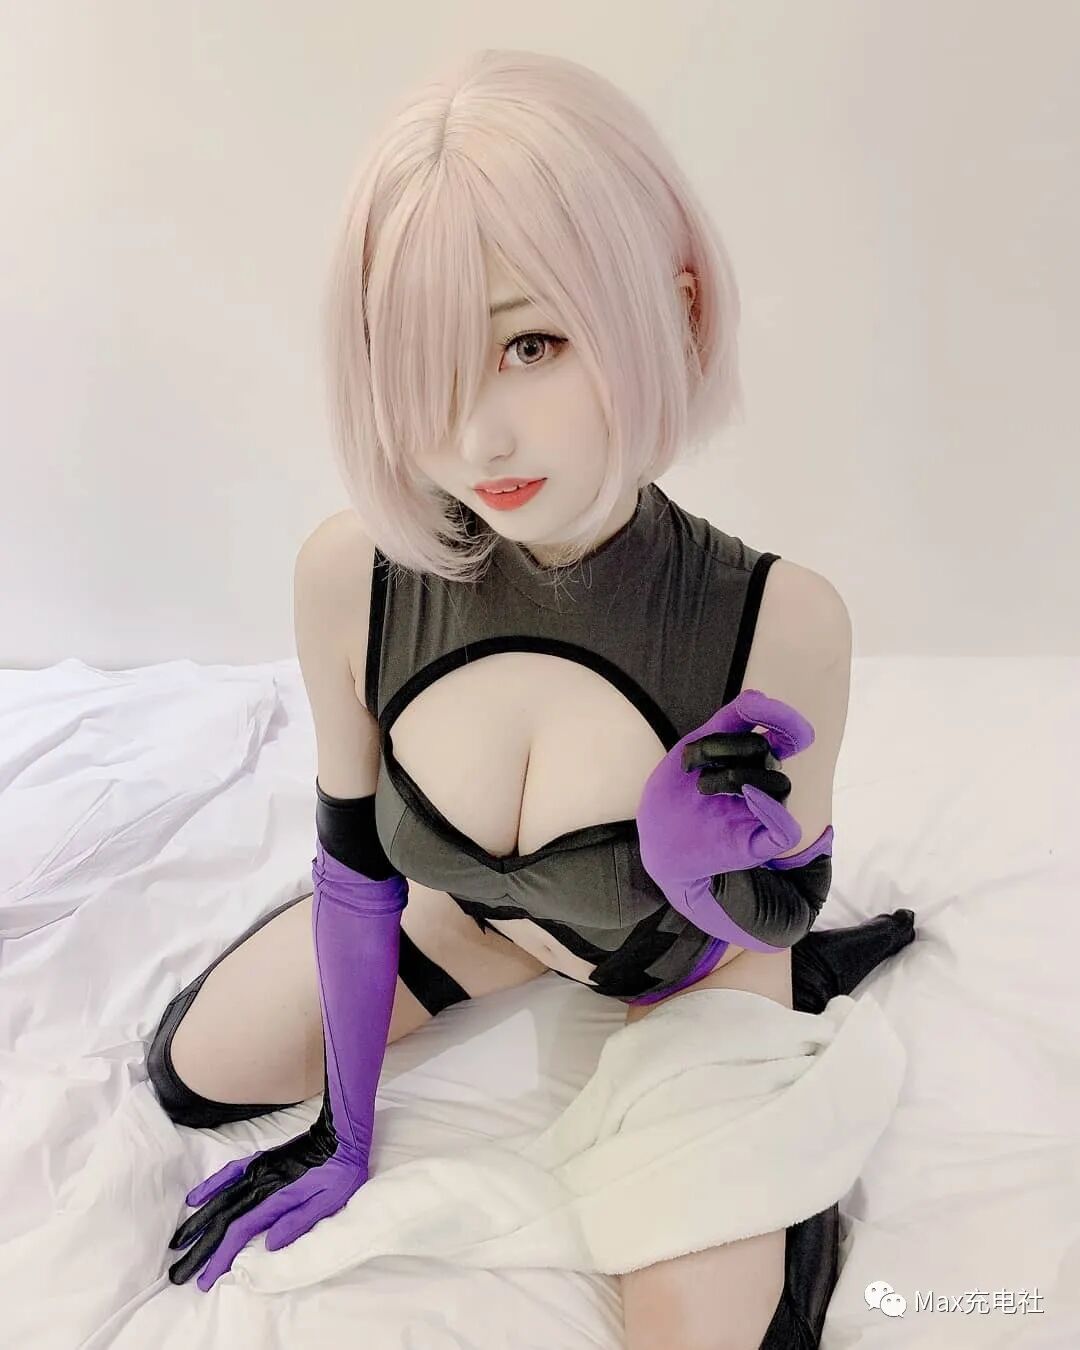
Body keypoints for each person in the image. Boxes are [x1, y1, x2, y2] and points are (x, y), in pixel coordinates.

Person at [146, 48, 915, 1348]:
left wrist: (705, 864)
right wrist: (343, 1134)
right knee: (194, 1073)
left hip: (695, 966)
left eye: (531, 343)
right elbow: (355, 872)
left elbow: (785, 902)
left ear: (672, 306)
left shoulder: (779, 621)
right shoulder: (353, 579)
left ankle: (787, 1160)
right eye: (425, 359)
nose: (476, 437)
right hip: (493, 924)